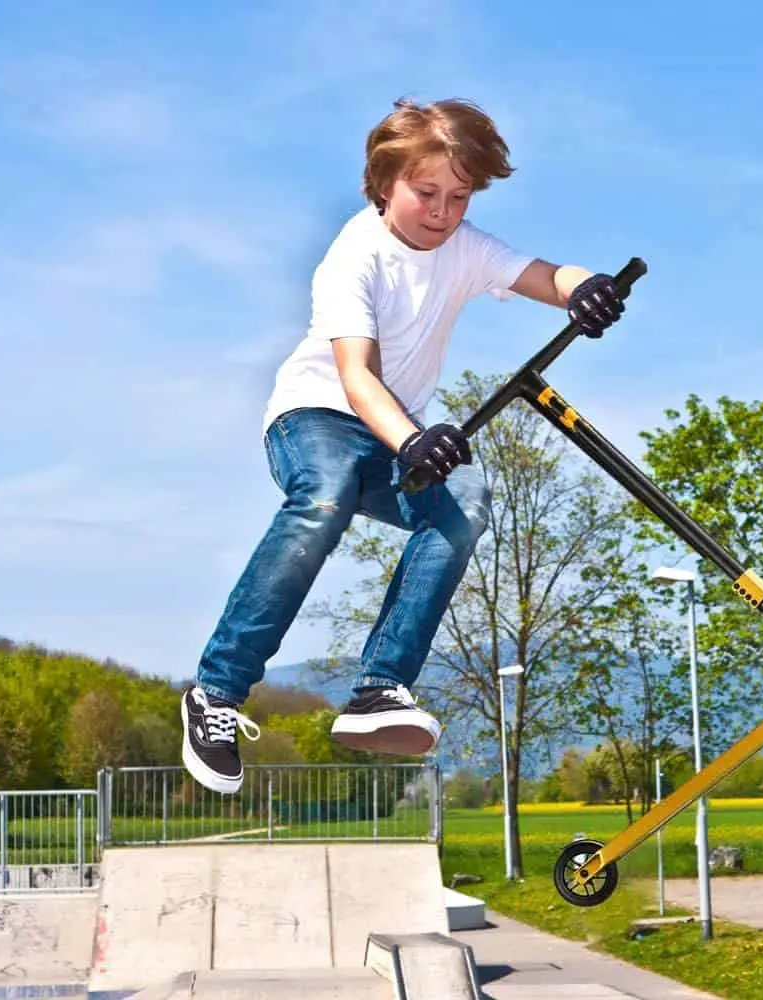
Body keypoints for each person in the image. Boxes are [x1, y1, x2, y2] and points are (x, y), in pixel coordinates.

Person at [181, 97, 626, 794]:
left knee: (468, 500)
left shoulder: (465, 248)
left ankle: (380, 687)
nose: (443, 212)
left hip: (399, 437)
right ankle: (215, 693)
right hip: (316, 418)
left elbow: (543, 275)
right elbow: (357, 378)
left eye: (459, 197)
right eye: (426, 194)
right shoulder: (353, 257)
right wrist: (414, 439)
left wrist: (586, 289)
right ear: (384, 182)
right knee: (322, 499)